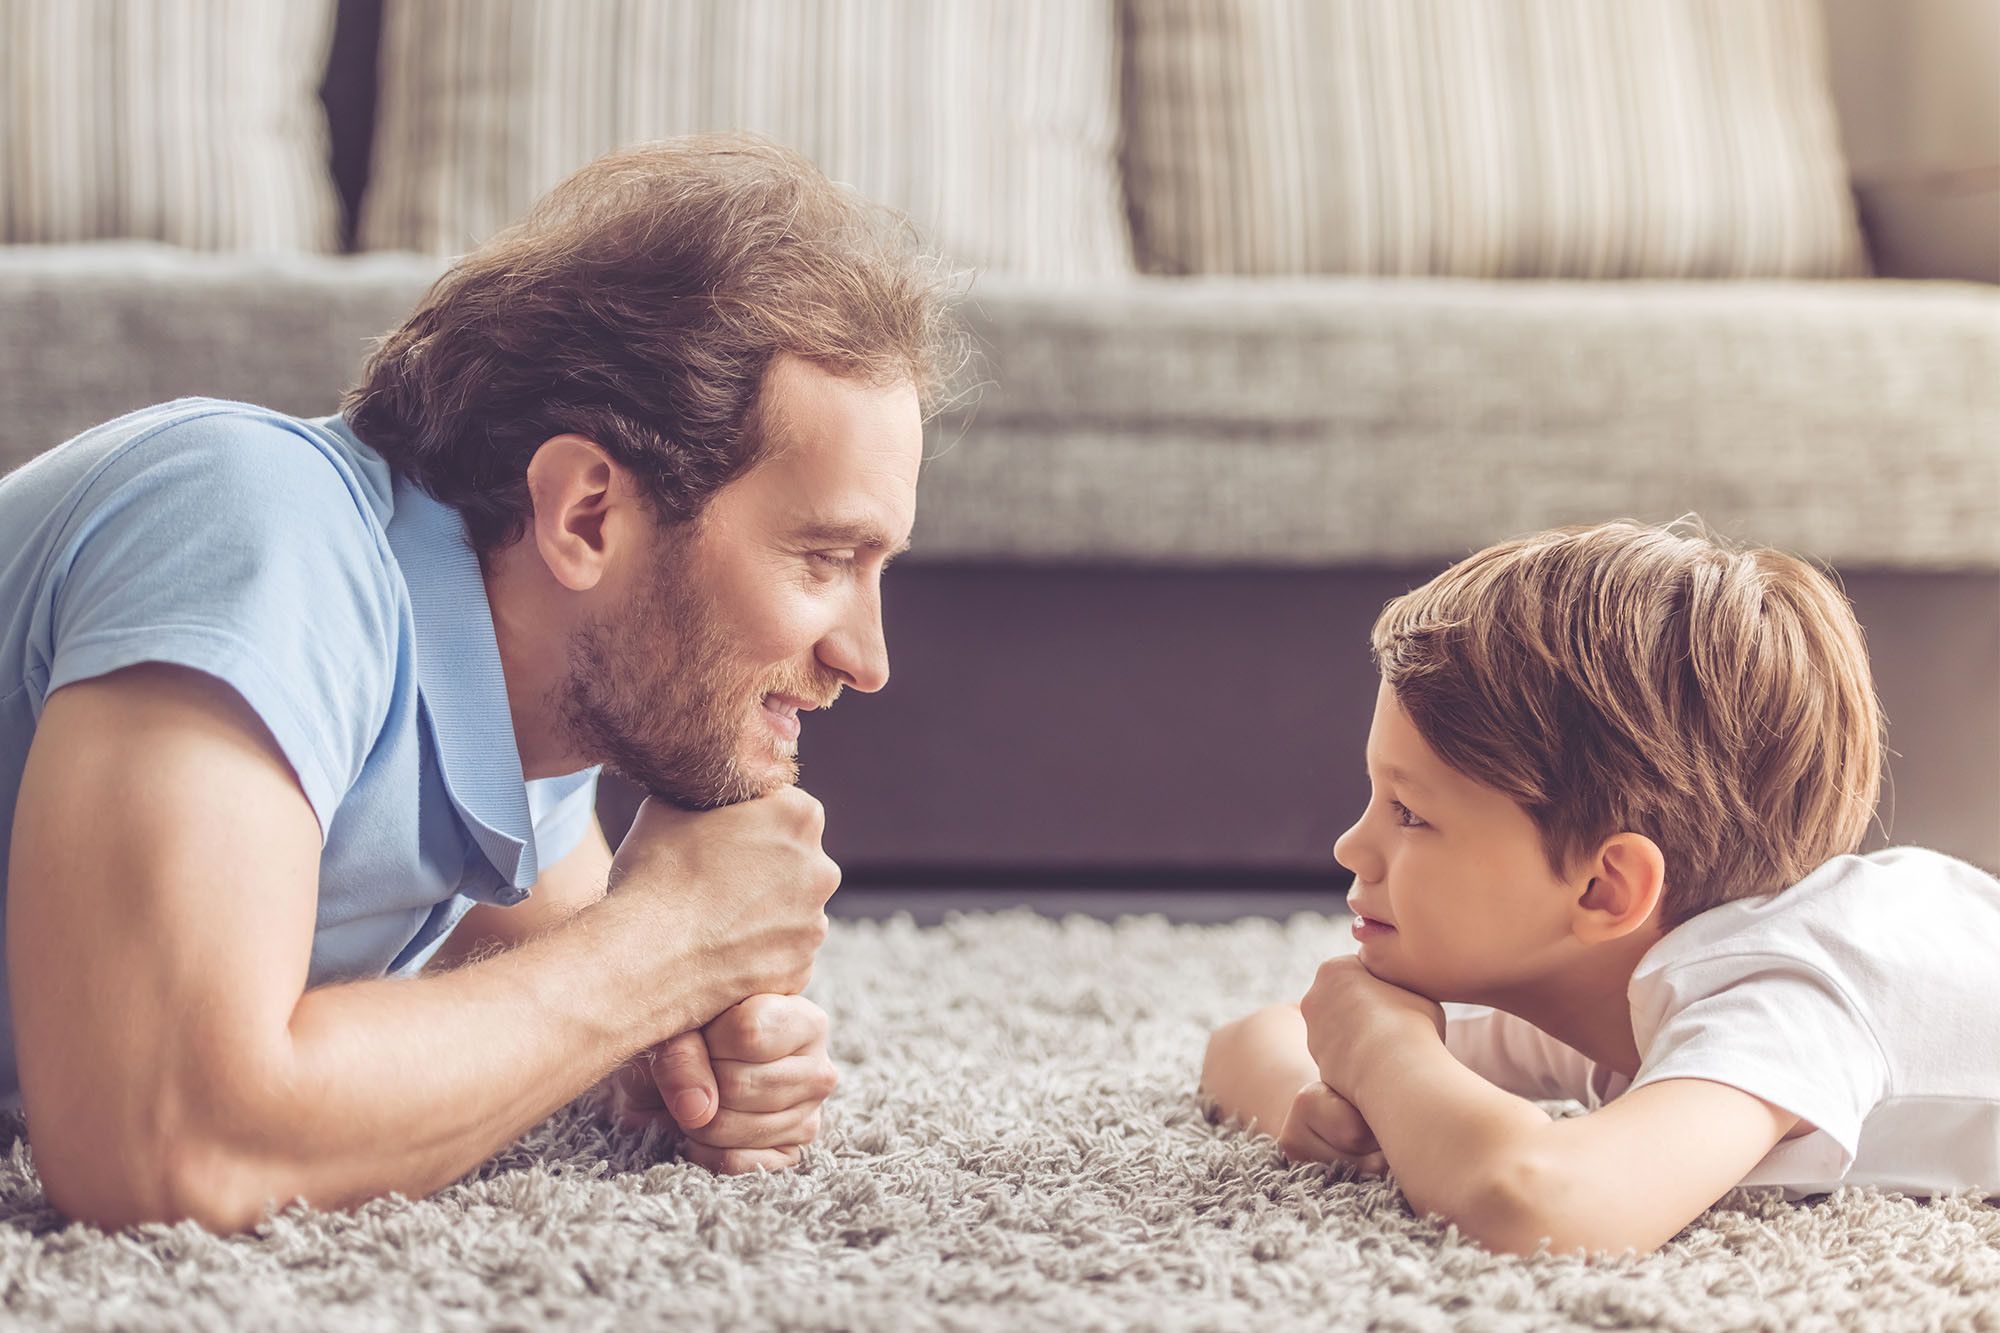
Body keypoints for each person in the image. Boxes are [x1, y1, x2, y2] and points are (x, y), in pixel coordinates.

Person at [0, 134, 965, 1231]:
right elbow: (165, 1141)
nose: (867, 660)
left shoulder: (527, 706)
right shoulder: (250, 527)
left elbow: (569, 987)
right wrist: (669, 946)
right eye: (823, 558)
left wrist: (675, 1046)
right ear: (586, 515)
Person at [1202, 520, 2000, 1256]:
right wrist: (1321, 1098)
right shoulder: (1599, 977)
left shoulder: (1780, 998)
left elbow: (1538, 1203)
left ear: (1604, 891)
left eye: (1409, 812)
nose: (1350, 845)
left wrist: (1382, 1053)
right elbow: (1248, 1040)